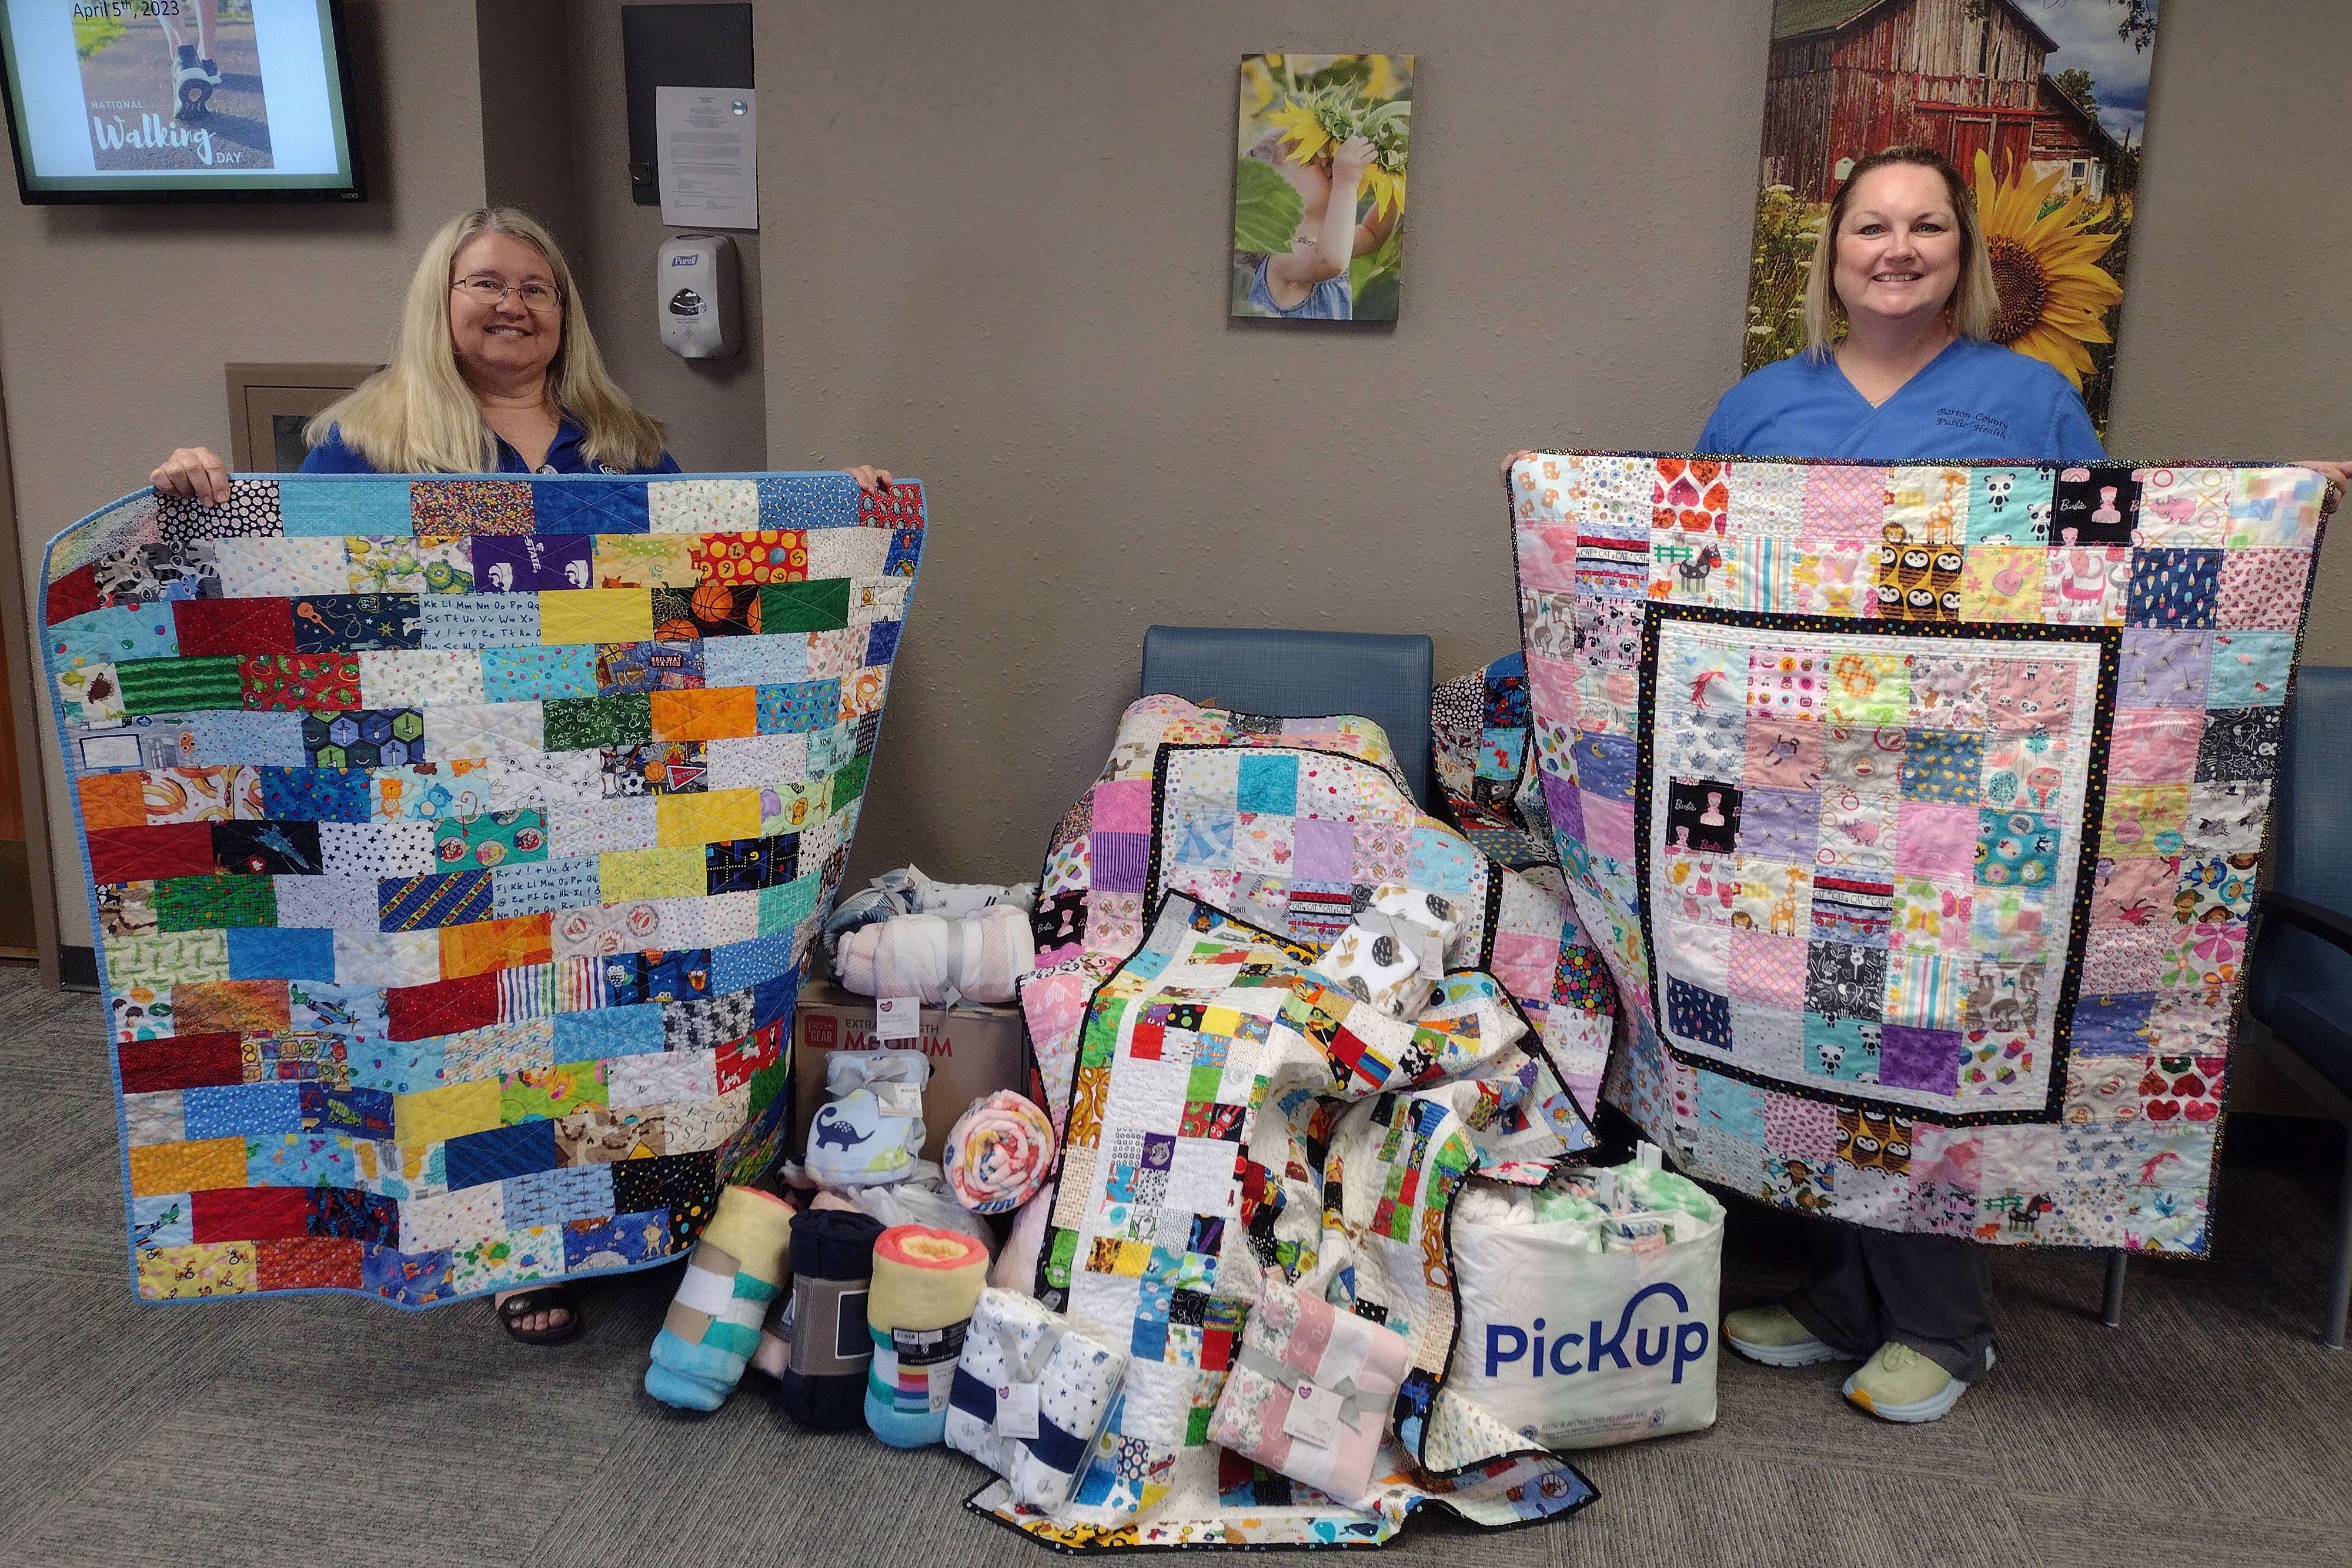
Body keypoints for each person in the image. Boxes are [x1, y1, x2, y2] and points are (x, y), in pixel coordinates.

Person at [1508, 143, 2344, 1423]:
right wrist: (1553, 503)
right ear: (1830, 255)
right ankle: (1844, 1296)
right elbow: (1678, 572)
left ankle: (1947, 1330)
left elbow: (2109, 562)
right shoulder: (1760, 408)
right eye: (1869, 229)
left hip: (1967, 793)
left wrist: (2272, 507)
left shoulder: (2024, 402)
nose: (1894, 250)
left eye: (1924, 229)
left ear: (1960, 255)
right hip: (1785, 780)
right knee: (1801, 1023)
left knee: (1929, 1038)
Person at [150, 206, 892, 1344]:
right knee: (477, 1025)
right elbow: (293, 591)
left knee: (613, 1011)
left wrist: (829, 517)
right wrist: (197, 490)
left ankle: (638, 1217)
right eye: (485, 283)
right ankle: (516, 1243)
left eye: (537, 289)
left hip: (602, 790)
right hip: (443, 804)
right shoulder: (370, 442)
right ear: (438, 303)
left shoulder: (620, 442)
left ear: (564, 315)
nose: (512, 306)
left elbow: (709, 579)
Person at [1241, 131, 1397, 320]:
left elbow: (1372, 235)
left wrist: (1394, 185)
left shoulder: (1320, 245)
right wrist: (1346, 183)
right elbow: (1331, 261)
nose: (1326, 162)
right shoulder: (1281, 260)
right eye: (1309, 161)